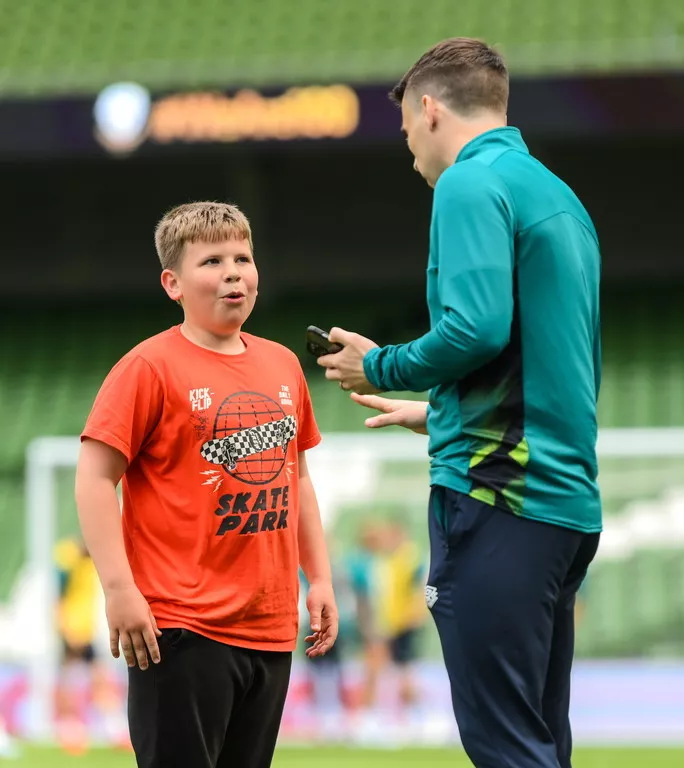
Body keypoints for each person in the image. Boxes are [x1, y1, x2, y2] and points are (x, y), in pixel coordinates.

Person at [317, 37, 602, 768]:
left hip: (498, 500)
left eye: (407, 126)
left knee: (507, 749)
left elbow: (475, 329)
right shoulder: (554, 192)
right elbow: (546, 359)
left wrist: (381, 365)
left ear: (430, 109)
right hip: (560, 507)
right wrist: (442, 411)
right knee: (540, 744)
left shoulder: (469, 185)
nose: (409, 145)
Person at [75, 201, 338, 768]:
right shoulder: (147, 368)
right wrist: (119, 589)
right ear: (173, 283)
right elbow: (95, 479)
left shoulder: (284, 364)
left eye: (243, 257)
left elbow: (297, 478)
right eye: (212, 260)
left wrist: (318, 578)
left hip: (269, 628)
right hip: (181, 628)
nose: (233, 271)